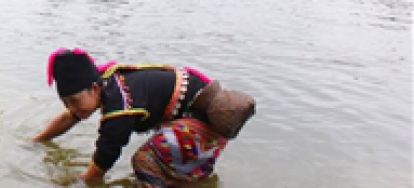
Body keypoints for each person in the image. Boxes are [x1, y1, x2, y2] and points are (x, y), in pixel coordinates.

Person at [34, 48, 253, 187]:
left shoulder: (118, 104)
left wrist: (81, 182)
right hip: (198, 128)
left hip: (202, 128)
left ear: (93, 88)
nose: (73, 108)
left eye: (74, 101)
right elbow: (69, 117)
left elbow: (105, 157)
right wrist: (36, 142)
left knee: (145, 161)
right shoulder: (107, 82)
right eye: (66, 103)